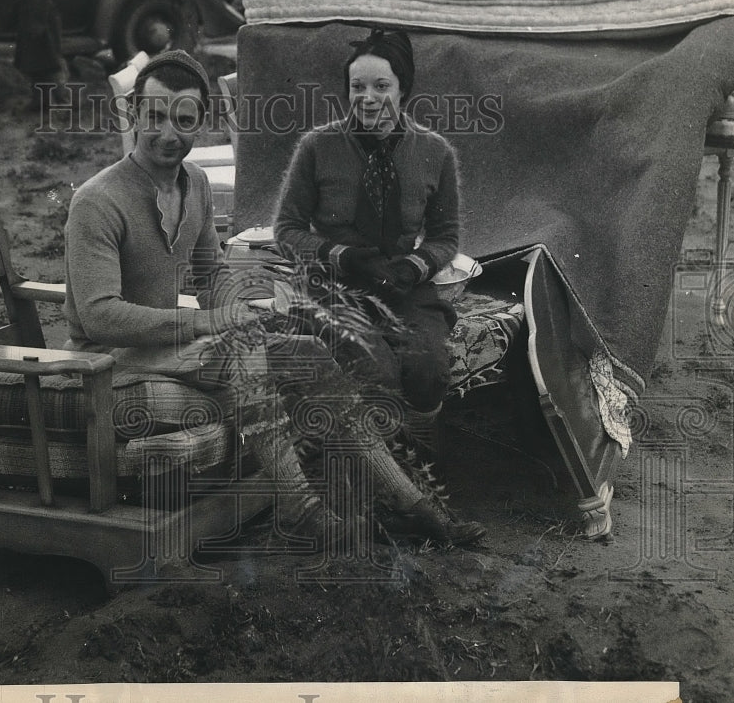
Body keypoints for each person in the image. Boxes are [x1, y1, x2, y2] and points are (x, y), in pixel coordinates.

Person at [63, 49, 485, 549]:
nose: (168, 134)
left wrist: (246, 310)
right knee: (242, 352)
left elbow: (210, 273)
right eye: (154, 117)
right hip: (112, 361)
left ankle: (411, 502)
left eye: (184, 119)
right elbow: (98, 316)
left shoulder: (193, 182)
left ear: (203, 122)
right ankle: (301, 508)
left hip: (170, 348)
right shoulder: (98, 200)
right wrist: (210, 323)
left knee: (308, 351)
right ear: (133, 114)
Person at [274, 27, 461, 449]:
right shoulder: (317, 147)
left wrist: (414, 266)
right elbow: (286, 232)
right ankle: (377, 474)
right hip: (333, 286)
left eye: (381, 86)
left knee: (428, 367)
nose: (368, 98)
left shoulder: (434, 152)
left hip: (401, 284)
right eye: (357, 87)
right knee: (376, 368)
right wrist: (341, 255)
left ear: (403, 89)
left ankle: (418, 460)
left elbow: (446, 235)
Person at [13, 0, 67, 99]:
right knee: (40, 63)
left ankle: (62, 98)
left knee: (47, 63)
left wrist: (37, 24)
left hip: (39, 21)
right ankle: (43, 100)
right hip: (41, 20)